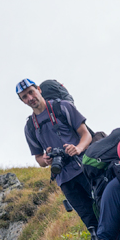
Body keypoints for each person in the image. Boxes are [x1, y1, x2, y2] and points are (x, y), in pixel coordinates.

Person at [16, 78, 97, 232]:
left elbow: (86, 134)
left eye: (31, 92)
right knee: (90, 221)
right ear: (23, 101)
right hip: (64, 179)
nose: (30, 98)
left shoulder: (63, 107)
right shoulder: (29, 127)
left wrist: (78, 148)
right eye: (25, 97)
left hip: (84, 168)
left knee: (105, 208)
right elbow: (38, 158)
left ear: (39, 90)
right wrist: (45, 160)